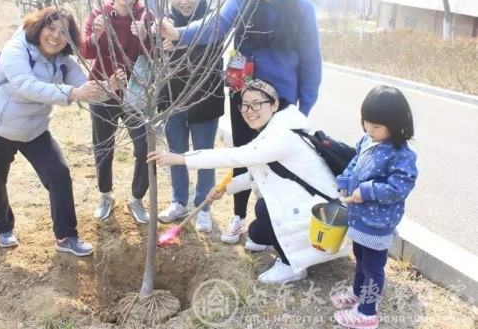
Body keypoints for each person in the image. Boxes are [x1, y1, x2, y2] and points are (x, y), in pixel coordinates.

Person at [158, 0, 322, 245]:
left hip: (281, 99)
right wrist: (180, 35)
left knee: (278, 160)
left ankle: (279, 221)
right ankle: (238, 217)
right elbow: (216, 24)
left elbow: (312, 61)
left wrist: (305, 105)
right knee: (243, 154)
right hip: (244, 91)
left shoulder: (302, 9)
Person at [148, 79, 349, 284]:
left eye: (256, 103)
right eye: (244, 104)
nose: (248, 110)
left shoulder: (281, 136)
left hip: (324, 218)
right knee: (255, 234)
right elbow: (259, 174)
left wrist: (181, 158)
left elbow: (235, 157)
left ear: (274, 104)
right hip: (309, 205)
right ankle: (292, 245)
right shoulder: (274, 127)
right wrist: (225, 189)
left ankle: (292, 267)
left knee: (263, 208)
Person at [0, 7, 114, 257]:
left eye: (64, 32)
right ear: (39, 27)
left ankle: (66, 235)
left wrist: (107, 88)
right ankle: (3, 227)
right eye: (51, 28)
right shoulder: (16, 50)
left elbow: (84, 88)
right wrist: (72, 94)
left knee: (58, 173)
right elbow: (27, 86)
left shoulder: (63, 61)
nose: (56, 36)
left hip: (34, 129)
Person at [331, 85, 417, 329]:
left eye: (376, 126)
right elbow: (355, 162)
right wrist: (346, 181)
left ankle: (367, 312)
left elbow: (399, 188)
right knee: (360, 257)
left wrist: (366, 191)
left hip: (378, 222)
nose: (369, 129)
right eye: (366, 123)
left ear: (397, 124)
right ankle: (358, 292)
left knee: (373, 265)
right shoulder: (368, 140)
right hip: (360, 218)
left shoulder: (401, 155)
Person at [80, 0, 152, 223]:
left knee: (144, 145)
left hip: (135, 94)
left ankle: (137, 198)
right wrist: (97, 33)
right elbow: (85, 51)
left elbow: (157, 57)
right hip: (102, 90)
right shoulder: (98, 15)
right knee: (102, 144)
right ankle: (105, 193)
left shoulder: (146, 16)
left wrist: (145, 37)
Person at [156, 0, 225, 233]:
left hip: (205, 98)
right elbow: (156, 53)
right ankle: (178, 201)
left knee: (203, 155)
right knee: (176, 153)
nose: (183, 1)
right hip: (172, 99)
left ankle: (202, 208)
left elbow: (213, 54)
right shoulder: (162, 22)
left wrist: (183, 43)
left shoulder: (213, 20)